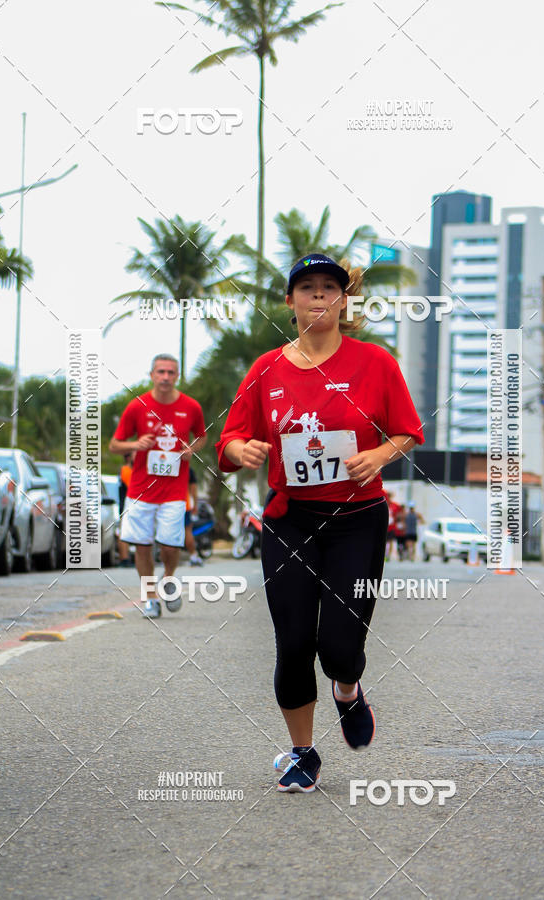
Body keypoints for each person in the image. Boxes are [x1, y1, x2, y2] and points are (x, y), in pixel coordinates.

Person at [216, 253, 424, 793]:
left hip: (358, 520)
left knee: (339, 645)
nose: (318, 296)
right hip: (290, 519)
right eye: (307, 287)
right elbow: (230, 437)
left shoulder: (375, 362)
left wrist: (378, 456)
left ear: (343, 300)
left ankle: (347, 688)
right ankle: (303, 752)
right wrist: (242, 450)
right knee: (292, 641)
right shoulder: (266, 369)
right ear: (290, 301)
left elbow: (406, 430)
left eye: (329, 287)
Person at [109, 354, 207, 617]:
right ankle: (150, 597)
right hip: (141, 491)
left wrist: (191, 449)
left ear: (177, 376)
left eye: (170, 372)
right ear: (152, 375)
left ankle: (169, 578)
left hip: (174, 491)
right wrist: (135, 444)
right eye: (161, 372)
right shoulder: (137, 406)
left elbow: (201, 437)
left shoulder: (191, 407)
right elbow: (114, 444)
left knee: (170, 545)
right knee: (142, 546)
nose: (165, 377)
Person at [118, 451, 135, 567]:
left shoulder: (128, 470)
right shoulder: (126, 470)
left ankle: (129, 558)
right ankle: (124, 559)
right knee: (124, 532)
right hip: (128, 505)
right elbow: (132, 486)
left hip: (130, 504)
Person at [184, 467, 203, 566]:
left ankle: (165, 559)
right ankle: (193, 556)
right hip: (184, 504)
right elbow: (193, 490)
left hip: (167, 504)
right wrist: (195, 505)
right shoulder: (188, 470)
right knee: (187, 531)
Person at [385, 491, 403, 562]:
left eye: (389, 496)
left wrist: (399, 522)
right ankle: (385, 555)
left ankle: (388, 556)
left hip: (392, 526)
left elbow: (400, 514)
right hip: (384, 526)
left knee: (390, 541)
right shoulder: (383, 503)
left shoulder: (395, 505)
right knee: (385, 542)